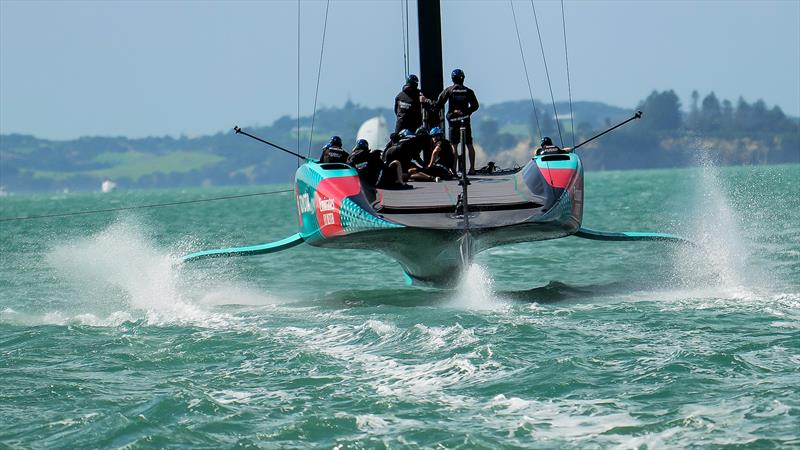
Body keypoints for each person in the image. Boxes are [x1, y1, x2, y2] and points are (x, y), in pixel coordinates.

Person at [433, 68, 479, 175]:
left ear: (452, 79)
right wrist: (466, 112)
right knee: (469, 144)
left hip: (453, 120)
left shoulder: (449, 90)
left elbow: (439, 103)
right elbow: (475, 106)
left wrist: (432, 108)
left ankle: (453, 170)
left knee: (454, 145)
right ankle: (472, 169)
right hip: (465, 120)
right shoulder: (468, 91)